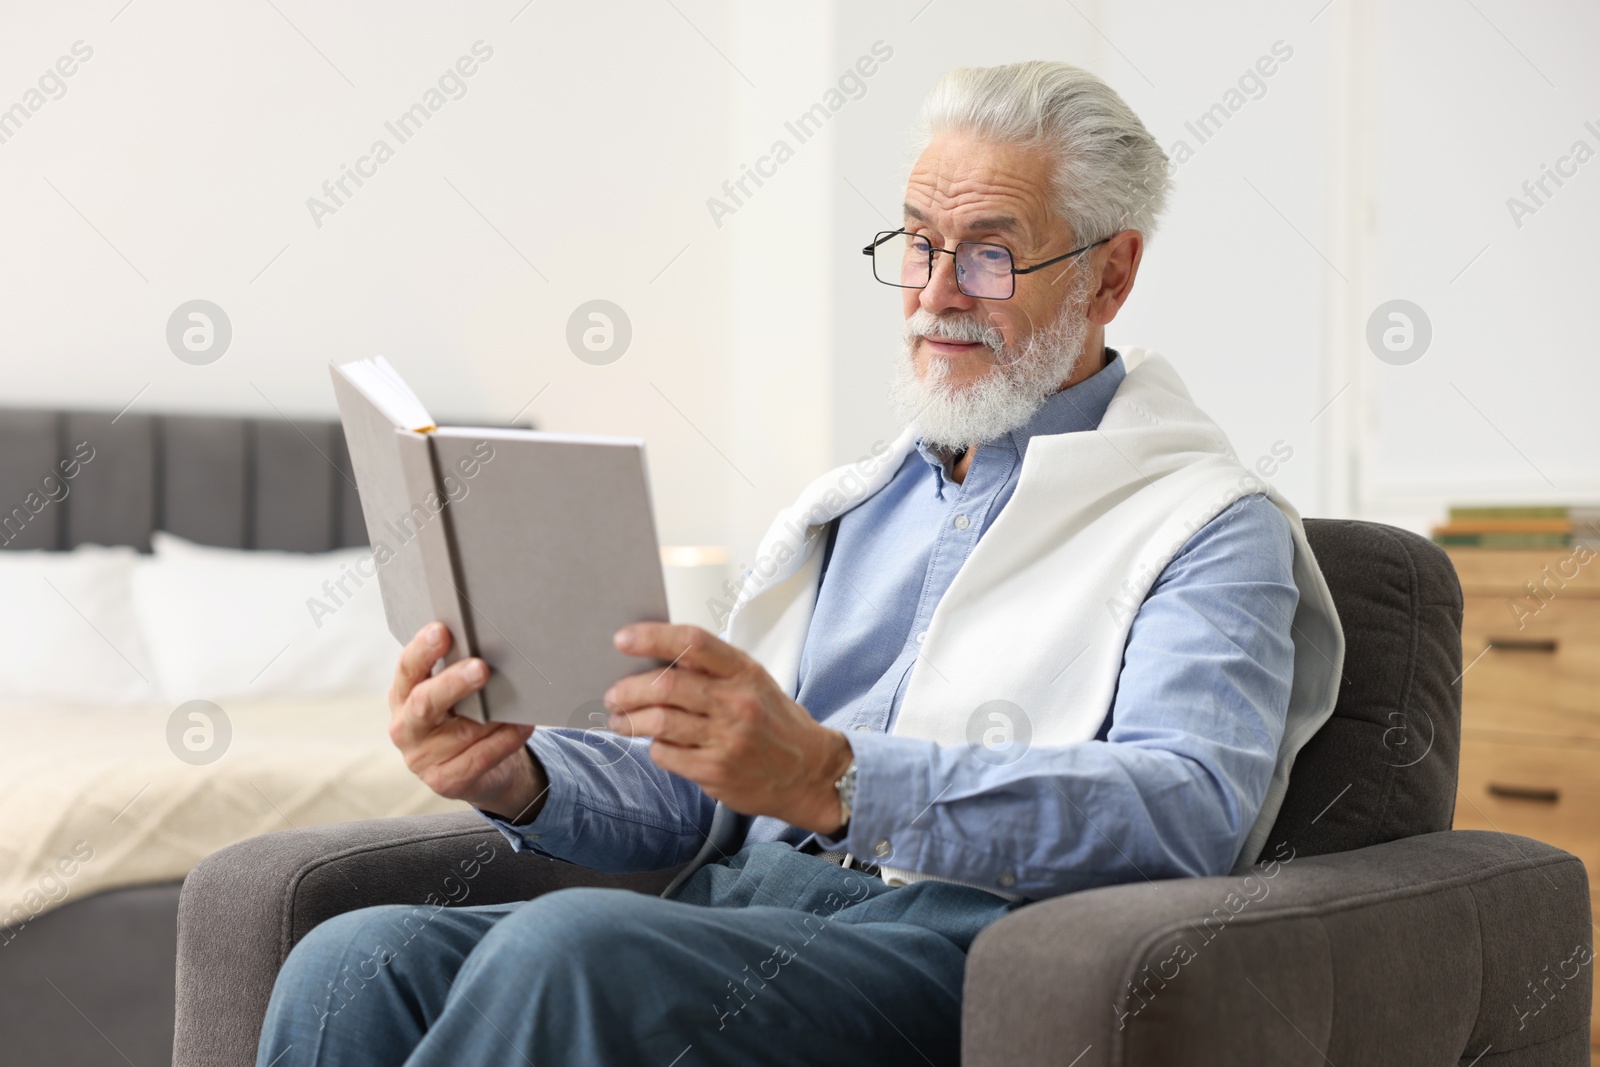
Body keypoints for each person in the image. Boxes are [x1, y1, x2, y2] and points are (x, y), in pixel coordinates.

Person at [257, 59, 1342, 1067]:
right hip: (752, 911)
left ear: (1110, 277)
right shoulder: (853, 507)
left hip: (964, 940)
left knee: (572, 947)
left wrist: (836, 778)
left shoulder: (1205, 523)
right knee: (353, 959)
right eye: (917, 243)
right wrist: (521, 774)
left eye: (988, 253)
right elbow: (701, 795)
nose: (934, 293)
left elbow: (1187, 805)